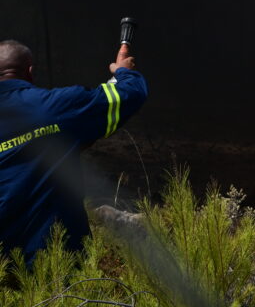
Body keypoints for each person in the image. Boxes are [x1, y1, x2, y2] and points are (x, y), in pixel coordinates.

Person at [0, 40, 148, 264]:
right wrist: (124, 72)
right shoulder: (53, 107)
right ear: (30, 72)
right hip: (56, 264)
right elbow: (128, 95)